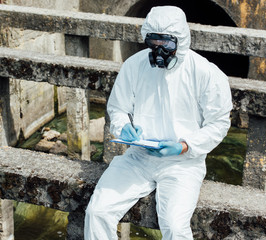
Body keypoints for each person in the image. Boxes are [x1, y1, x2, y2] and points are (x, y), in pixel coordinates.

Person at [84, 5, 232, 240]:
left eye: (167, 46)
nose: (159, 53)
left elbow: (218, 124)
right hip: (138, 158)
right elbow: (118, 108)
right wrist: (123, 127)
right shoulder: (135, 65)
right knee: (97, 212)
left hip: (183, 164)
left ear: (181, 41)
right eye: (154, 45)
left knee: (174, 226)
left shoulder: (207, 73)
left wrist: (185, 145)